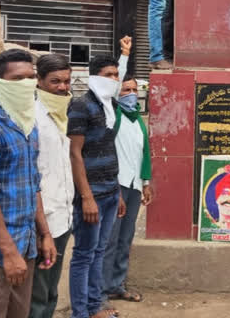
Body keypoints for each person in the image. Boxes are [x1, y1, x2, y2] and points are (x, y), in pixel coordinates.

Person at [0, 48, 57, 318]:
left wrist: (44, 234)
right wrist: (9, 253)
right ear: (0, 83)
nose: (27, 84)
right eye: (18, 79)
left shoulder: (28, 127)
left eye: (31, 77)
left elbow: (33, 184)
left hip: (25, 246)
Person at [68, 53, 127, 318]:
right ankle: (80, 312)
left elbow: (109, 148)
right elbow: (75, 153)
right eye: (108, 75)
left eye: (116, 75)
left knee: (99, 251)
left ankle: (94, 306)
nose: (114, 80)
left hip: (110, 192)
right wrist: (86, 196)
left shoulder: (110, 105)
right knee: (83, 255)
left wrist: (117, 192)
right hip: (91, 195)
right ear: (94, 77)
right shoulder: (81, 105)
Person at [102, 38, 153, 305]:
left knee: (125, 238)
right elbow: (112, 87)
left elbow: (143, 155)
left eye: (133, 89)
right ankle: (100, 291)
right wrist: (124, 55)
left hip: (133, 186)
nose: (130, 94)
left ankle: (117, 284)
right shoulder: (114, 116)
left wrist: (146, 182)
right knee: (109, 239)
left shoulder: (138, 122)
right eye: (125, 90)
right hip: (115, 186)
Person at [29, 54, 74, 318]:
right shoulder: (32, 116)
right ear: (39, 81)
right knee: (38, 292)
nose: (62, 87)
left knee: (51, 291)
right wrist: (39, 228)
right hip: (42, 218)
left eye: (66, 81)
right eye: (55, 81)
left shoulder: (66, 112)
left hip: (64, 216)